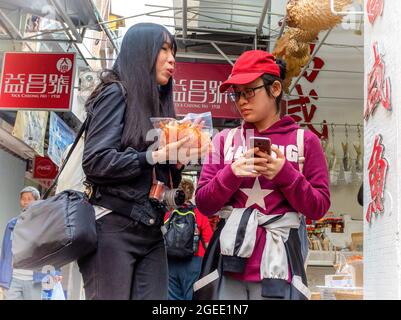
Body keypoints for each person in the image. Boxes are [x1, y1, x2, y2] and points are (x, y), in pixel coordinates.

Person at [78, 23, 207, 300]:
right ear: (141, 52)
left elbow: (153, 171)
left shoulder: (158, 107)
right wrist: (154, 155)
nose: (172, 58)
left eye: (173, 51)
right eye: (163, 49)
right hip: (113, 226)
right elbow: (96, 161)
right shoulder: (115, 92)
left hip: (152, 229)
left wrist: (179, 157)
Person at [195, 50, 330, 300]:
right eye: (237, 94)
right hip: (227, 268)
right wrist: (231, 173)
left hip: (280, 271)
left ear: (275, 88)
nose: (242, 101)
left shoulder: (305, 141)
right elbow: (203, 203)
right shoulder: (223, 141)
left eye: (249, 91)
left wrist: (285, 174)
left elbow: (319, 208)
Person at [164, 178, 213, 300]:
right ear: (191, 194)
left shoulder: (169, 213)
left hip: (170, 262)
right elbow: (208, 243)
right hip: (194, 262)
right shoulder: (199, 214)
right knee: (192, 296)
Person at [0, 187, 44, 300]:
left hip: (34, 280)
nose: (25, 201)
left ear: (37, 202)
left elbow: (51, 249)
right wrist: (2, 278)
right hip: (13, 279)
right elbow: (5, 253)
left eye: (29, 199)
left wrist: (55, 271)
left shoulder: (43, 224)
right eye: (23, 199)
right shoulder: (11, 224)